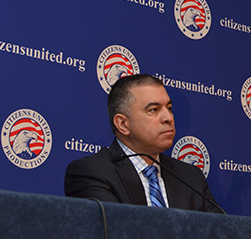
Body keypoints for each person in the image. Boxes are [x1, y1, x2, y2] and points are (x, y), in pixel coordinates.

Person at [65, 74, 223, 213]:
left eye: (169, 108)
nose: (168, 117)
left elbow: (220, 231)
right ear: (123, 124)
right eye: (154, 110)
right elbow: (117, 230)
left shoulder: (191, 177)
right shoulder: (92, 173)